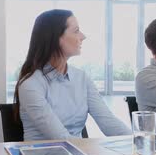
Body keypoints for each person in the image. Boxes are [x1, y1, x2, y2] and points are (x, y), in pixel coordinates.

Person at [15, 9, 131, 141]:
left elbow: (108, 122)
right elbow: (61, 138)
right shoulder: (30, 84)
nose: (83, 36)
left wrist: (139, 141)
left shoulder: (82, 78)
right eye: (76, 31)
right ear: (56, 38)